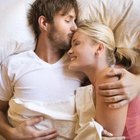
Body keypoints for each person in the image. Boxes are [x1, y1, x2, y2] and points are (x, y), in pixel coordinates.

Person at [68, 20, 140, 140]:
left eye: (76, 43)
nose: (69, 51)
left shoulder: (110, 77)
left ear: (99, 48)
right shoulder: (93, 84)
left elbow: (108, 137)